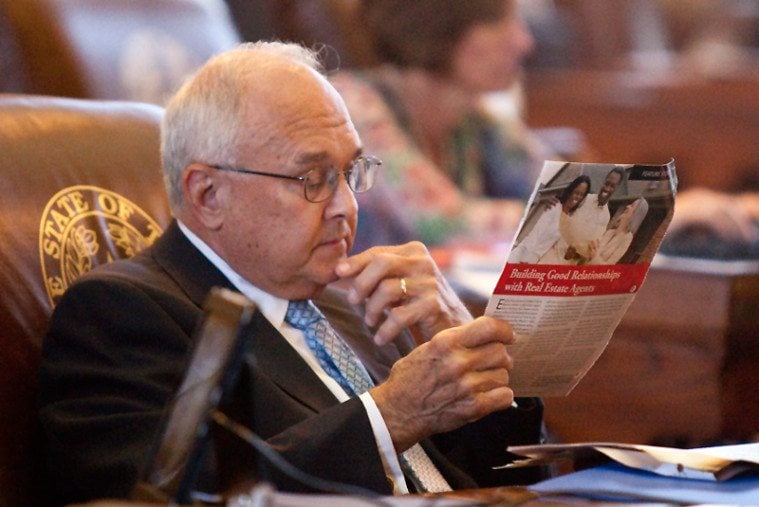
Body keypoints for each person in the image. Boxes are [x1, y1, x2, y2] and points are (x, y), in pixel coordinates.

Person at [37, 42, 546, 504]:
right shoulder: (122, 313)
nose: (346, 207)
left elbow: (502, 476)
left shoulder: (347, 302)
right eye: (313, 179)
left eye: (350, 174)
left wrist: (480, 369)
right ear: (208, 194)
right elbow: (178, 494)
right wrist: (388, 416)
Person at [330, 0, 551, 251]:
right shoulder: (353, 106)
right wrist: (559, 217)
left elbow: (563, 190)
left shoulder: (472, 117)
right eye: (503, 23)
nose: (525, 42)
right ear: (442, 28)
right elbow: (439, 222)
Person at [509, 175, 591, 264]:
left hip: (536, 259)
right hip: (524, 252)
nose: (577, 197)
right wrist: (525, 258)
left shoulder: (570, 221)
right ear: (570, 191)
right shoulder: (555, 206)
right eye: (576, 192)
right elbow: (536, 233)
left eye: (581, 194)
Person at [561, 167, 625, 264]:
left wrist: (577, 253)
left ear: (616, 188)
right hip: (557, 249)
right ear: (603, 181)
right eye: (607, 183)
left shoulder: (606, 217)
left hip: (572, 263)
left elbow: (591, 247)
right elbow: (563, 215)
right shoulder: (584, 198)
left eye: (612, 186)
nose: (607, 188)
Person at [588, 198, 649, 265]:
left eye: (632, 206)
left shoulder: (627, 237)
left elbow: (609, 265)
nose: (627, 206)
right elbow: (592, 248)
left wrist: (594, 257)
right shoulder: (610, 232)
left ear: (636, 213)